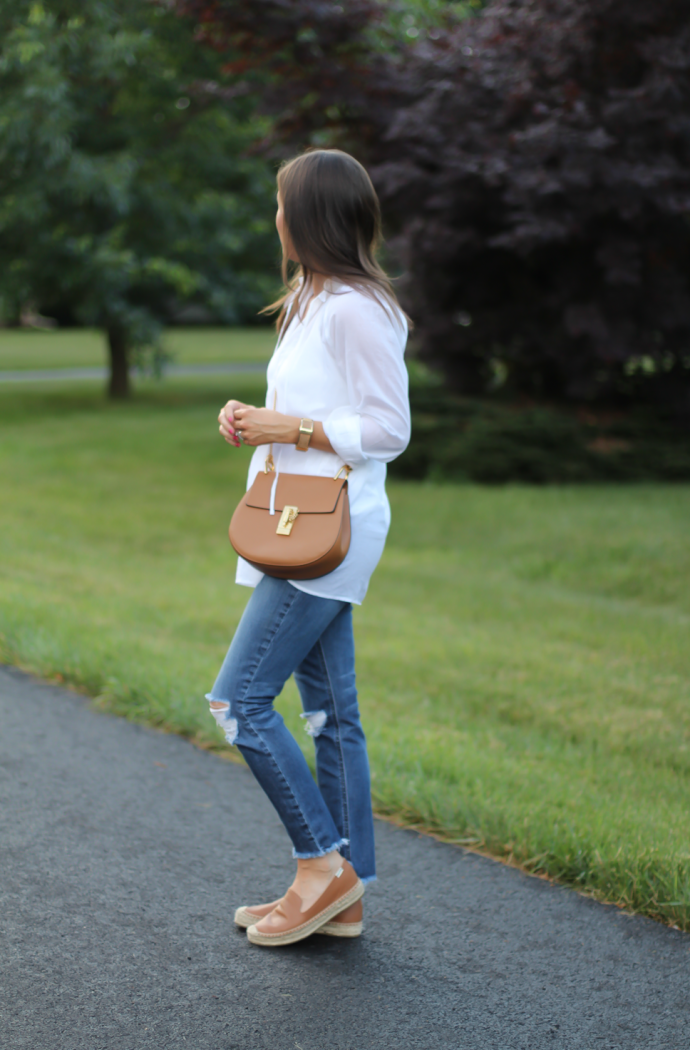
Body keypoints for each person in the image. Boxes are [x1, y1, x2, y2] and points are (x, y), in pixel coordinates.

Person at [207, 148, 411, 948]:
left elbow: (389, 431)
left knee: (238, 702)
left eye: (282, 205)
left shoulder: (358, 307)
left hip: (330, 531)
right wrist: (251, 418)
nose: (276, 219)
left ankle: (321, 867)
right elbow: (312, 409)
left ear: (312, 218)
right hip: (295, 520)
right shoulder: (309, 299)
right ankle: (345, 896)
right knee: (331, 714)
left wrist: (286, 426)